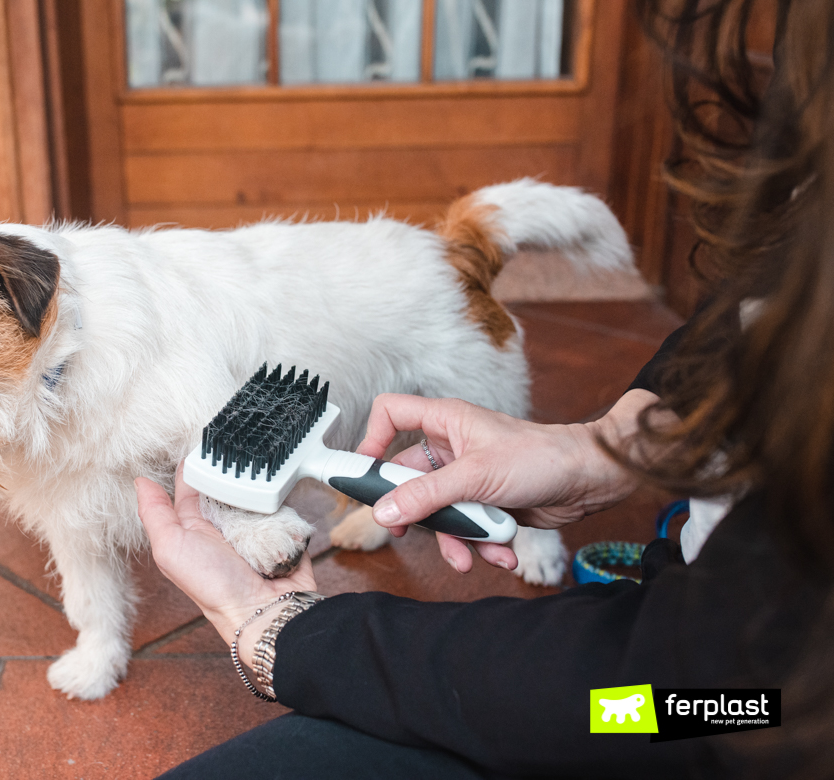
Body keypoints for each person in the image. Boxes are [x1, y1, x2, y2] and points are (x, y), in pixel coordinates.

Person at [135, 0, 834, 776]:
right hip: (686, 657)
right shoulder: (815, 220)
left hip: (706, 714)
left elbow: (658, 705)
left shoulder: (755, 692)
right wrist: (614, 443)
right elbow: (744, 334)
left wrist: (285, 636)